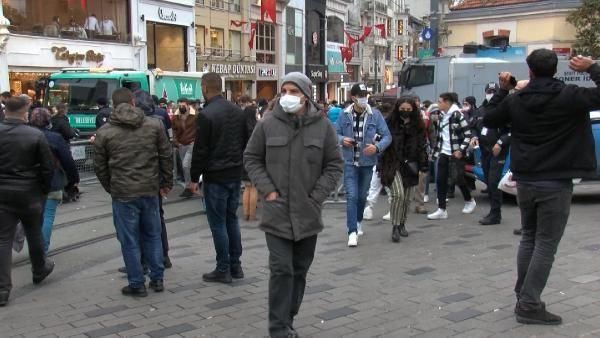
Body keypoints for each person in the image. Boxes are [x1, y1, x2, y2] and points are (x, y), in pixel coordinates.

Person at [484, 50, 600, 325]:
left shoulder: (516, 100)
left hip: (525, 180)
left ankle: (524, 294)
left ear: (529, 70)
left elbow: (487, 119)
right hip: (556, 181)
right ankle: (529, 303)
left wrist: (503, 91)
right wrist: (592, 67)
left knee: (529, 238)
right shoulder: (570, 95)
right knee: (546, 244)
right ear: (555, 69)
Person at [244, 72, 343, 338]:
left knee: (299, 271)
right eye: (284, 90)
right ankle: (277, 328)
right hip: (276, 212)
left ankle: (287, 318)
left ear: (306, 95)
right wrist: (269, 191)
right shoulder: (267, 123)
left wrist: (317, 196)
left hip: (308, 213)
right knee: (281, 269)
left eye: (294, 91)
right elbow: (251, 158)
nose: (287, 95)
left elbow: (334, 165)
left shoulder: (322, 127)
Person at [94, 88, 173, 297]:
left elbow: (99, 166)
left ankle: (137, 283)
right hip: (149, 189)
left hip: (123, 192)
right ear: (133, 102)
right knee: (152, 235)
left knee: (129, 239)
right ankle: (157, 279)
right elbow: (166, 155)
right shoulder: (154, 125)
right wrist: (166, 182)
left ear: (113, 104)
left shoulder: (105, 132)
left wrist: (110, 187)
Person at [188, 73, 247, 284]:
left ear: (204, 87)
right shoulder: (237, 111)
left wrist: (194, 178)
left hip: (215, 175)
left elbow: (200, 150)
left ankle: (223, 268)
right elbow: (245, 141)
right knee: (231, 218)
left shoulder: (206, 114)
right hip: (234, 172)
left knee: (218, 222)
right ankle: (236, 265)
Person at [0, 97, 55, 307]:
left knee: (3, 239)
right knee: (34, 232)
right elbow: (47, 167)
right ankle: (39, 269)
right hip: (30, 192)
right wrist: (43, 189)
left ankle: (2, 289)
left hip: (2, 193)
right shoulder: (35, 134)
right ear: (25, 111)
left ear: (5, 111)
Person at [335, 83, 391, 247]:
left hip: (367, 163)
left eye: (365, 95)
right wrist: (341, 139)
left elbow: (387, 136)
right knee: (351, 196)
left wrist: (377, 147)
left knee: (362, 196)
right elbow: (335, 132)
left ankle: (358, 221)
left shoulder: (375, 115)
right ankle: (351, 231)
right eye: (360, 95)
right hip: (350, 162)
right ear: (353, 97)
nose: (364, 98)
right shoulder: (344, 115)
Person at [29, 108, 79, 254]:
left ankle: (33, 246)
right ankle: (41, 251)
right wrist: (74, 179)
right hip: (52, 181)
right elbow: (67, 160)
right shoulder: (55, 138)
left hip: (27, 183)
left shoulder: (23, 135)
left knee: (30, 217)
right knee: (48, 215)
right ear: (48, 121)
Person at [379, 97, 428, 242]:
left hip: (411, 164)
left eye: (408, 110)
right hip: (392, 163)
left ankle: (402, 223)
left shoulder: (417, 125)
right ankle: (395, 226)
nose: (405, 112)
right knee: (398, 194)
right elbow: (382, 141)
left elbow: (422, 146)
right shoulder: (389, 123)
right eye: (403, 109)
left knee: (407, 198)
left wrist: (423, 165)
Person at [428, 92, 476, 220]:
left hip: (456, 152)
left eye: (440, 101)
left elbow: (468, 135)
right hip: (443, 151)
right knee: (440, 179)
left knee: (458, 178)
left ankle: (469, 200)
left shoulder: (458, 115)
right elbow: (438, 134)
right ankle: (442, 209)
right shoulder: (440, 115)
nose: (438, 104)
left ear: (447, 102)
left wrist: (461, 150)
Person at [470, 88, 511, 226]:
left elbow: (512, 131)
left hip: (498, 151)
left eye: (494, 92)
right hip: (484, 150)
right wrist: (474, 136)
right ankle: (493, 211)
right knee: (488, 180)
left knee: (494, 181)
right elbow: (474, 126)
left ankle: (496, 213)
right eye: (488, 91)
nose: (491, 94)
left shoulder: (506, 109)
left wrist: (500, 142)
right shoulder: (481, 110)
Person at [239, 95, 259, 221]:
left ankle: (245, 213)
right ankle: (252, 214)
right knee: (254, 187)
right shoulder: (256, 127)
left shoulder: (239, 127)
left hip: (243, 157)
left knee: (247, 187)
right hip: (255, 158)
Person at [172, 98, 197, 197]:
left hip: (192, 143)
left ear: (188, 105)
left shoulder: (195, 115)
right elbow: (174, 130)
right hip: (181, 144)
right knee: (186, 166)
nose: (181, 107)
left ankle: (188, 187)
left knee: (186, 165)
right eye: (180, 106)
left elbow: (200, 128)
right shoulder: (175, 116)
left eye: (183, 105)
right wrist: (176, 142)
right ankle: (193, 184)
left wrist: (196, 140)